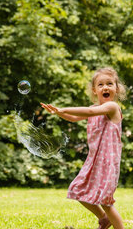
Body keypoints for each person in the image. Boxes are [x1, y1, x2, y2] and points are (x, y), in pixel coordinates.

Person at [41, 67, 126, 229]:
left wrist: (63, 108)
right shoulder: (94, 108)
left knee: (106, 201)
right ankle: (103, 218)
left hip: (108, 163)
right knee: (78, 190)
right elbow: (73, 118)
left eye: (110, 84)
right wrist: (59, 112)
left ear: (117, 88)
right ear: (94, 90)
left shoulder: (112, 107)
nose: (105, 87)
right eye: (100, 85)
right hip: (94, 161)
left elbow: (87, 111)